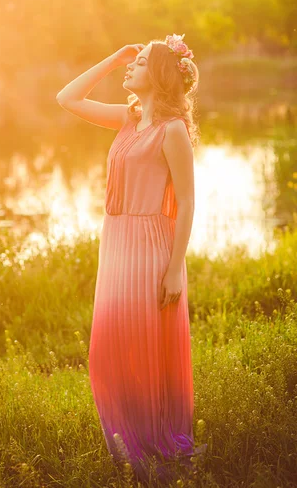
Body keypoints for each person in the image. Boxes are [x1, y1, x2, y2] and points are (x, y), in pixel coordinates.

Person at [56, 35, 206, 484]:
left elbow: (187, 201)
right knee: (109, 347)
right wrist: (115, 58)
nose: (131, 68)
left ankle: (154, 444)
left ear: (158, 74)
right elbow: (68, 98)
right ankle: (125, 440)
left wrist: (175, 266)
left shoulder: (172, 130)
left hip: (151, 243)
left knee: (145, 347)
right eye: (133, 62)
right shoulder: (128, 118)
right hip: (117, 241)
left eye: (139, 63)